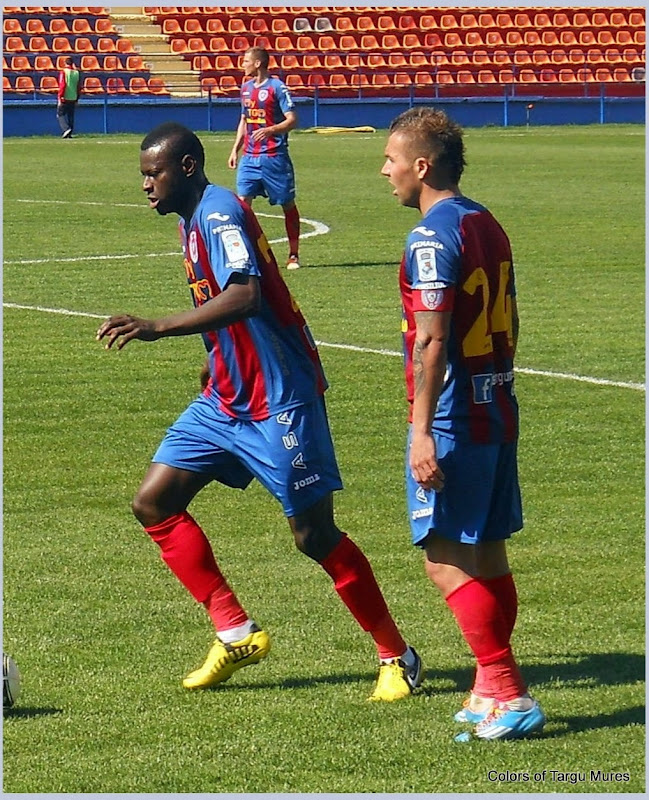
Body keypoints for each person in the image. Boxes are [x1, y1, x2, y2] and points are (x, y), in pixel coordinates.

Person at [96, 121, 421, 701]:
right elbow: (227, 304)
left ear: (187, 168)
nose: (146, 186)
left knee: (313, 534)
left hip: (278, 400)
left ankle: (397, 655)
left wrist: (156, 326)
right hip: (226, 396)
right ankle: (235, 630)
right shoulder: (192, 220)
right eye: (143, 175)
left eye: (154, 174)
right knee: (155, 502)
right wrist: (212, 358)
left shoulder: (219, 213)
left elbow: (246, 294)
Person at [381, 107, 546, 741]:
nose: (385, 172)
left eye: (392, 160)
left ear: (422, 166)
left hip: (453, 415)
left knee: (443, 560)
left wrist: (422, 431)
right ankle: (486, 691)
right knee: (488, 556)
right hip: (497, 402)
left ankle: (506, 688)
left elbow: (432, 340)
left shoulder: (430, 237)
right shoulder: (487, 222)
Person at [228, 47, 302, 270]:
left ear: (258, 63)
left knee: (287, 204)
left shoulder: (277, 88)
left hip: (274, 156)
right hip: (250, 157)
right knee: (242, 205)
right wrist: (235, 149)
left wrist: (271, 130)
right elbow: (244, 120)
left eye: (246, 61)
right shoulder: (245, 88)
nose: (243, 65)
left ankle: (293, 254)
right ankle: (246, 254)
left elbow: (293, 119)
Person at [57, 56, 80, 139]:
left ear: (65, 63)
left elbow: (62, 85)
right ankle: (70, 133)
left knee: (60, 114)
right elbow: (78, 87)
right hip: (73, 97)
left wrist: (60, 97)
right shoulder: (77, 73)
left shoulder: (63, 72)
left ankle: (66, 129)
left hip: (65, 97)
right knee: (71, 115)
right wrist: (77, 98)